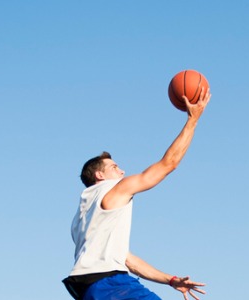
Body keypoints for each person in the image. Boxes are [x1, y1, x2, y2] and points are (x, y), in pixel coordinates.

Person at [63, 88, 211, 300]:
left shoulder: (81, 219)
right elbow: (168, 164)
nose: (121, 171)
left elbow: (127, 260)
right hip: (110, 284)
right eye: (114, 167)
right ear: (99, 175)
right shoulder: (112, 190)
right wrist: (192, 120)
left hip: (89, 290)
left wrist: (170, 280)